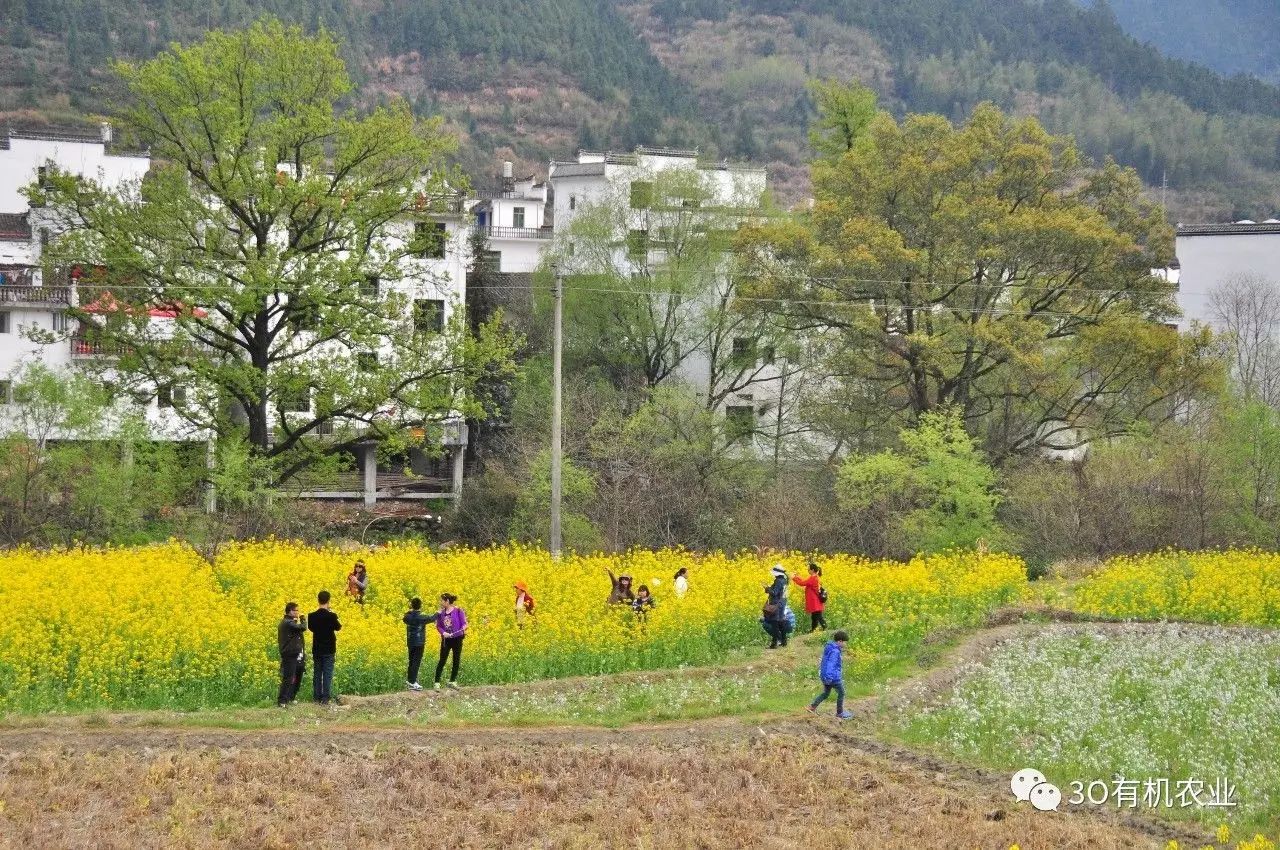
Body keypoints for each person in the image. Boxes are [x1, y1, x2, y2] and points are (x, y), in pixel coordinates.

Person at [806, 629, 853, 719]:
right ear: (840, 641)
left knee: (826, 693)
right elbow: (831, 664)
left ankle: (812, 707)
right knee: (842, 693)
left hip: (825, 675)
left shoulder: (829, 648)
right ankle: (840, 713)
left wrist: (826, 676)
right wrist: (829, 677)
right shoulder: (835, 651)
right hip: (832, 677)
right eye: (845, 642)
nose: (845, 644)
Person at [308, 590, 342, 705]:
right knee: (327, 674)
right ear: (328, 600)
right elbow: (338, 627)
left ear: (318, 600)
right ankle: (325, 698)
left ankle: (316, 697)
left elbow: (311, 629)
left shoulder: (311, 616)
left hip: (317, 649)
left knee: (317, 673)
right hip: (329, 649)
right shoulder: (331, 616)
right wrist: (332, 613)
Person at [434, 593, 468, 689]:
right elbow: (439, 626)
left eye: (442, 600)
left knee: (456, 659)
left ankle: (452, 681)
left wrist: (464, 628)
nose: (441, 602)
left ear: (447, 601)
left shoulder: (458, 611)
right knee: (442, 660)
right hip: (446, 639)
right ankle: (437, 682)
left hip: (457, 638)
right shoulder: (441, 613)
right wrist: (443, 633)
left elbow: (464, 624)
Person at [403, 597, 439, 690]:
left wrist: (410, 611)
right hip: (419, 643)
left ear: (411, 605)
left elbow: (405, 616)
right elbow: (432, 618)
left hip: (410, 641)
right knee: (416, 662)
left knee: (411, 661)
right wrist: (438, 613)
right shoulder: (421, 617)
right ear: (420, 606)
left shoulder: (407, 617)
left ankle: (410, 681)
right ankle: (413, 682)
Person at [277, 602, 307, 707]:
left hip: (294, 654)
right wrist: (303, 619)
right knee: (288, 677)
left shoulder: (289, 622)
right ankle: (282, 701)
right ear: (290, 611)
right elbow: (303, 627)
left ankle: (289, 698)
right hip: (289, 654)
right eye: (296, 610)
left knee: (294, 676)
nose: (297, 612)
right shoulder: (287, 622)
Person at [792, 561, 827, 632]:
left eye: (809, 569)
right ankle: (814, 629)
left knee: (818, 616)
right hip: (816, 601)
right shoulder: (814, 577)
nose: (808, 571)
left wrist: (794, 578)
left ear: (812, 570)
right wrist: (797, 577)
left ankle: (824, 627)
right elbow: (805, 581)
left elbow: (802, 583)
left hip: (815, 601)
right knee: (814, 616)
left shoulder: (813, 578)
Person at [763, 564, 790, 649]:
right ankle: (784, 641)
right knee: (781, 622)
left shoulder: (778, 581)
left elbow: (774, 593)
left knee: (775, 623)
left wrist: (767, 588)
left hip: (776, 604)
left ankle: (774, 644)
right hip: (782, 603)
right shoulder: (784, 580)